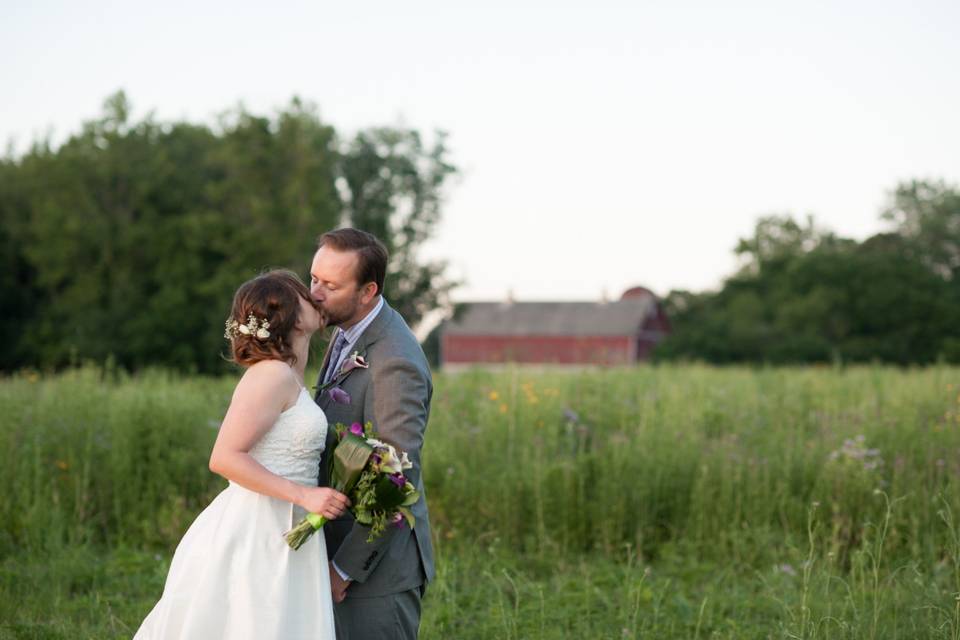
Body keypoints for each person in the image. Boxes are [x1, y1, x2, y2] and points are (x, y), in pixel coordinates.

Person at [134, 270, 349, 639]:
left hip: (289, 525)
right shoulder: (271, 376)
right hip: (259, 528)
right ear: (290, 316)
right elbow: (224, 457)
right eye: (303, 292)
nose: (314, 296)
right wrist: (304, 495)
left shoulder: (291, 376)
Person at [310, 228, 435, 640]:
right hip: (332, 545)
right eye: (314, 279)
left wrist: (345, 568)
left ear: (368, 291)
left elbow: (395, 477)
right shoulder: (347, 330)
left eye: (330, 285)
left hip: (373, 574)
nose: (315, 293)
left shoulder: (393, 360)